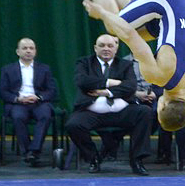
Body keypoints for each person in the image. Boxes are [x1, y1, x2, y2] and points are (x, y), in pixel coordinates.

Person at [63, 0, 185, 132]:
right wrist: (101, 14)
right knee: (114, 27)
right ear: (162, 106)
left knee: (139, 30)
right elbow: (129, 35)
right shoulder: (159, 76)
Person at [65, 34, 153, 175]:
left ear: (116, 49)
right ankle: (93, 158)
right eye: (102, 45)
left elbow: (130, 87)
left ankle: (137, 160)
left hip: (121, 111)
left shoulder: (125, 65)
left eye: (110, 46)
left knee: (145, 112)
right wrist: (109, 82)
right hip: (91, 111)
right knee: (73, 125)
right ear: (95, 48)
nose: (106, 49)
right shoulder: (84, 63)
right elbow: (82, 81)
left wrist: (106, 92)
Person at [0, 38, 57, 166]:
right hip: (18, 103)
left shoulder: (44, 69)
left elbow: (51, 90)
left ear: (35, 51)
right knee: (18, 117)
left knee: (45, 115)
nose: (28, 51)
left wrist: (39, 97)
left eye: (31, 48)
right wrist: (18, 99)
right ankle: (27, 152)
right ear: (18, 51)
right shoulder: (7, 69)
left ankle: (33, 151)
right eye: (24, 48)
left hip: (39, 102)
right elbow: (3, 92)